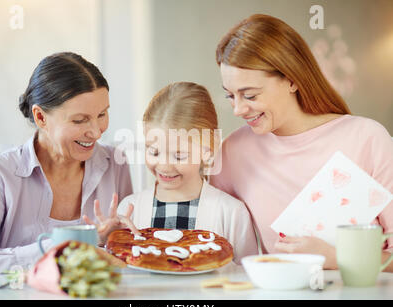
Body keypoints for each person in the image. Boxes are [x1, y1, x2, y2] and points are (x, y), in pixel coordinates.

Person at [210, 14, 393, 270]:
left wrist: (337, 258)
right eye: (230, 96)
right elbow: (208, 238)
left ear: (292, 80)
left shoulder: (367, 139)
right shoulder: (233, 152)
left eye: (249, 95)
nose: (238, 109)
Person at [0, 52, 134, 280]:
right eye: (80, 120)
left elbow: (129, 254)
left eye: (102, 114)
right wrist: (57, 249)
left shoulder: (116, 163)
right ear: (40, 117)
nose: (96, 132)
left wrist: (116, 241)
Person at [85, 82, 258, 262]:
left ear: (207, 150)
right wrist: (105, 243)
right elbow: (118, 273)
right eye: (154, 152)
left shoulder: (231, 213)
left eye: (179, 156)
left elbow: (247, 276)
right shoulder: (130, 210)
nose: (164, 166)